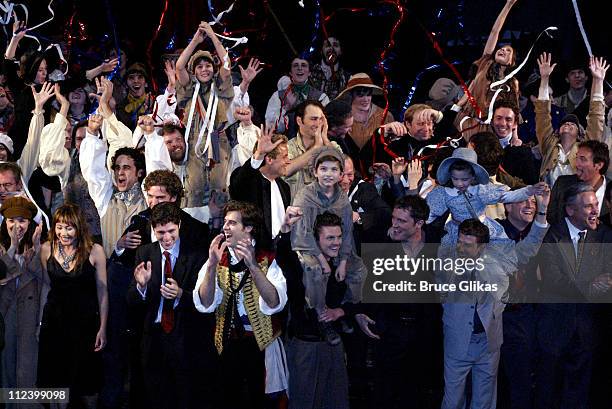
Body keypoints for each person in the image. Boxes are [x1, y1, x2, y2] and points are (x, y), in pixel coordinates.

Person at [438, 214, 548, 409]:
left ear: (482, 247)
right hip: (457, 341)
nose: (461, 249)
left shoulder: (496, 261)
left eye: (468, 245)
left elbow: (529, 247)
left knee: (485, 401)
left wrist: (541, 215)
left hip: (488, 343)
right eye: (460, 243)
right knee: (452, 401)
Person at [194, 201, 288, 409]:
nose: (225, 227)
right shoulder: (217, 258)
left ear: (248, 228)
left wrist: (253, 266)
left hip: (260, 346)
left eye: (232, 223)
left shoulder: (268, 258)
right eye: (225, 222)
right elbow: (205, 303)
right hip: (227, 345)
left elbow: (274, 303)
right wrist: (210, 266)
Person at [355, 195, 443, 409]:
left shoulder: (438, 243)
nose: (394, 224)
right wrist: (359, 312)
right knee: (385, 394)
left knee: (418, 395)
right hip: (389, 331)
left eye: (402, 221)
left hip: (425, 333)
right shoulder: (379, 242)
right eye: (394, 219)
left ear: (419, 223)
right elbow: (363, 281)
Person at [127, 202, 215, 409]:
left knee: (185, 396)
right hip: (153, 338)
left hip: (185, 337)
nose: (166, 238)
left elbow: (205, 302)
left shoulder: (196, 255)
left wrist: (180, 294)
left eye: (171, 231)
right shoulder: (144, 253)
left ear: (180, 226)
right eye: (160, 232)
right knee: (156, 396)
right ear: (153, 229)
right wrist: (141, 286)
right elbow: (131, 301)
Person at [535, 183, 612, 409]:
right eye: (588, 206)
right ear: (571, 210)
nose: (595, 211)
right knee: (548, 390)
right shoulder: (551, 234)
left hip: (587, 329)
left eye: (596, 205)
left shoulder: (605, 235)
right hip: (554, 328)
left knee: (579, 393)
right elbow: (552, 278)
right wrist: (589, 285)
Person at [291, 146, 365, 344]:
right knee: (314, 269)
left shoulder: (341, 199)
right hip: (310, 247)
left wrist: (341, 261)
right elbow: (301, 233)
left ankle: (343, 310)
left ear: (341, 174)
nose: (328, 174)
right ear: (315, 172)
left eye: (334, 169)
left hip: (336, 243)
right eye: (323, 169)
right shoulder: (305, 196)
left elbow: (348, 231)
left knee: (357, 268)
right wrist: (322, 258)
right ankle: (321, 315)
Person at [278, 212, 352, 409]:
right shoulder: (303, 266)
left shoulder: (344, 264)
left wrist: (341, 312)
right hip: (306, 347)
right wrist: (285, 230)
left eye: (338, 237)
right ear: (315, 241)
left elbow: (358, 298)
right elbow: (285, 256)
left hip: (334, 345)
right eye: (330, 238)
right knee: (304, 401)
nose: (336, 242)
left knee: (336, 401)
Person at [37, 204, 108, 408]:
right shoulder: (46, 249)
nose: (63, 233)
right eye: (59, 227)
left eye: (69, 227)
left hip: (85, 326)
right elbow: (45, 287)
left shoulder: (95, 251)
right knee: (57, 383)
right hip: (54, 324)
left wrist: (103, 328)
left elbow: (103, 292)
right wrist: (40, 323)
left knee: (87, 385)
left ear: (79, 228)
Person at [426, 148, 546, 245]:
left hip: (482, 229)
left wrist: (530, 190)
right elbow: (429, 214)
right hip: (457, 233)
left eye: (464, 179)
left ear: (473, 177)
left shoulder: (481, 190)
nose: (459, 183)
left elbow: (508, 196)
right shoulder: (444, 193)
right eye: (455, 179)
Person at [535, 54, 608, 187]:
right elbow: (542, 115)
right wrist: (544, 78)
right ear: (557, 132)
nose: (568, 123)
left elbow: (596, 118)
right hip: (549, 202)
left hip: (577, 200)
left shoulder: (585, 146)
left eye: (573, 124)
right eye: (564, 123)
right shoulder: (548, 145)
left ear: (580, 133)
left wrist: (598, 80)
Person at [0, 197, 44, 409]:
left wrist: (34, 250)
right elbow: (4, 275)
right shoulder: (0, 247)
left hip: (30, 314)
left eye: (22, 221)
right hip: (5, 314)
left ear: (30, 224)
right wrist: (12, 247)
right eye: (12, 221)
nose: (17, 226)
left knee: (27, 367)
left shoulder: (40, 248)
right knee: (6, 366)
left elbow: (46, 280)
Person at [457, 0, 520, 139]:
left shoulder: (512, 83)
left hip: (490, 130)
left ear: (511, 62)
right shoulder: (485, 64)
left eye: (508, 51)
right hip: (467, 122)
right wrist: (508, 5)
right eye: (501, 48)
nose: (502, 50)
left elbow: (513, 110)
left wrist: (515, 137)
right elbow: (494, 31)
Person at [229, 126, 291, 250]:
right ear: (269, 159)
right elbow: (238, 186)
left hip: (281, 253)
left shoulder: (284, 187)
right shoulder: (249, 180)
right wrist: (259, 154)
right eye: (284, 157)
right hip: (253, 253)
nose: (288, 161)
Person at [284, 100, 341, 196]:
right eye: (314, 119)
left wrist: (325, 140)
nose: (318, 124)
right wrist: (316, 148)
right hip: (295, 208)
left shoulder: (332, 146)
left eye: (321, 119)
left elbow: (343, 170)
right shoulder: (287, 148)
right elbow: (284, 170)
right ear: (299, 121)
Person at [548, 140, 610, 225]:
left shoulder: (610, 189)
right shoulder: (562, 184)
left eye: (583, 159)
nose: (577, 164)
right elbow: (552, 218)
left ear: (598, 165)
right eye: (576, 158)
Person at [265, 57, 330, 134]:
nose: (299, 68)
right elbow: (271, 128)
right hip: (287, 144)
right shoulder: (278, 96)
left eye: (303, 65)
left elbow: (326, 126)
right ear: (290, 72)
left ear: (309, 72)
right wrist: (286, 108)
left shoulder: (321, 97)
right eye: (295, 65)